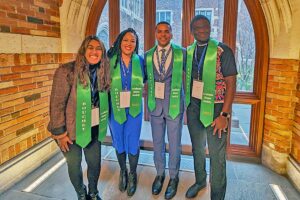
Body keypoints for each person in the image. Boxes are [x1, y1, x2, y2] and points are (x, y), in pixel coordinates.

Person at [48, 35, 110, 200]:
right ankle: (81, 193)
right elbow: (56, 104)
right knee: (74, 165)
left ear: (102, 53)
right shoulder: (66, 71)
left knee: (94, 163)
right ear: (83, 50)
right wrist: (60, 134)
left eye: (99, 49)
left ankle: (93, 192)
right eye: (90, 47)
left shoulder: (103, 72)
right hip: (69, 130)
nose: (94, 52)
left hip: (94, 128)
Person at [185, 15, 237, 200]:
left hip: (217, 109)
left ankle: (217, 196)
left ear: (210, 28)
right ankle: (200, 181)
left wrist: (225, 114)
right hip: (194, 107)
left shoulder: (223, 51)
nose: (202, 30)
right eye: (198, 28)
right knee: (197, 148)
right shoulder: (188, 52)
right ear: (192, 31)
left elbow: (231, 83)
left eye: (205, 27)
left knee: (217, 155)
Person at [145, 21, 186, 200]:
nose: (163, 35)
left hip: (174, 106)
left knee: (175, 143)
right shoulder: (147, 56)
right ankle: (160, 174)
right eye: (160, 31)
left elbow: (194, 75)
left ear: (171, 34)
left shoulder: (182, 53)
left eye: (166, 32)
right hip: (155, 106)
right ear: (155, 33)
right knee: (158, 142)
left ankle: (174, 177)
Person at [107, 28, 145, 197]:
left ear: (136, 44)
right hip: (115, 106)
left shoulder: (140, 61)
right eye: (126, 40)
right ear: (120, 41)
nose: (129, 44)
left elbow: (144, 80)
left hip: (134, 108)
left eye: (133, 41)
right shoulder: (110, 60)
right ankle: (123, 170)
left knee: (132, 140)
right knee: (119, 140)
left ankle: (132, 174)